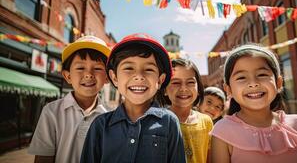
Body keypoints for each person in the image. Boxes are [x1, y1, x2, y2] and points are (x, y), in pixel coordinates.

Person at [210, 44, 297, 163]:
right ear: (228, 89)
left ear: (278, 83)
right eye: (241, 77)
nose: (253, 83)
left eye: (261, 74)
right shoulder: (223, 130)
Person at [80, 33, 185, 163]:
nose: (139, 76)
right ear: (114, 78)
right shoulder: (100, 125)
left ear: (160, 79)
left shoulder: (169, 122)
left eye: (148, 69)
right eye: (129, 68)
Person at [28, 35, 111, 163]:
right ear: (68, 76)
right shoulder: (52, 111)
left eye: (98, 68)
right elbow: (43, 158)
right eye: (80, 68)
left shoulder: (111, 117)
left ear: (107, 77)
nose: (88, 74)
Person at [165, 58, 213, 163]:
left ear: (199, 89)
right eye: (176, 82)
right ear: (164, 89)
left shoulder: (206, 122)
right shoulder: (158, 121)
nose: (183, 88)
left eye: (190, 82)